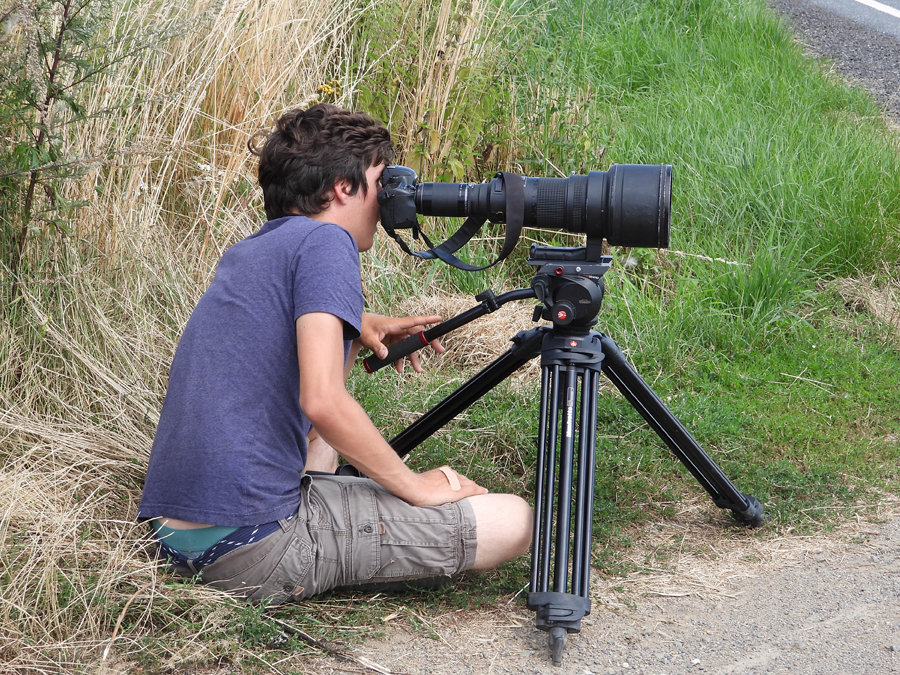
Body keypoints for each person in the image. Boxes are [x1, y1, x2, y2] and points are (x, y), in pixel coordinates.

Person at [137, 103, 533, 604]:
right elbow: (322, 399)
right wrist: (415, 487)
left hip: (176, 535)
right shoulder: (329, 242)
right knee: (514, 520)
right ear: (344, 188)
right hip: (255, 547)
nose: (390, 203)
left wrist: (356, 323)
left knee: (327, 425)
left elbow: (266, 341)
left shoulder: (250, 251)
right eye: (383, 184)